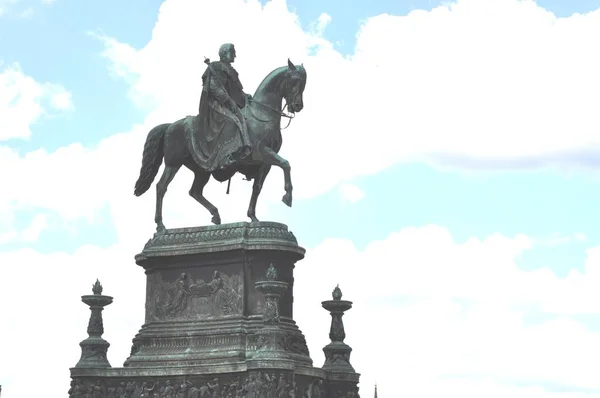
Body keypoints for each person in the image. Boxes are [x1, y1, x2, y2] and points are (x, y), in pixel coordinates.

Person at [197, 43, 253, 172]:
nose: (235, 55)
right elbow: (214, 87)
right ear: (224, 53)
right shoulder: (216, 67)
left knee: (244, 117)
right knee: (231, 121)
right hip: (216, 104)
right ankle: (224, 156)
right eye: (232, 53)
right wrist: (228, 100)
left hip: (229, 103)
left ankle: (244, 148)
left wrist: (245, 96)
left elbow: (236, 91)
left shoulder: (231, 71)